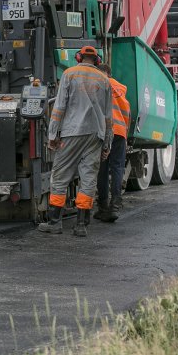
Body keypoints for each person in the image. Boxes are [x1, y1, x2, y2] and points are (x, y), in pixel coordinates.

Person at [38, 46, 113, 237]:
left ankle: (55, 222)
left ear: (79, 58)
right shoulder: (104, 80)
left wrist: (53, 135)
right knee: (88, 178)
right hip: (96, 135)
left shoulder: (69, 74)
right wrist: (107, 144)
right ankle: (81, 225)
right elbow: (108, 117)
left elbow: (60, 106)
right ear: (96, 60)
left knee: (60, 176)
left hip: (72, 132)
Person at [94, 63, 130, 223]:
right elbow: (127, 111)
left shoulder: (97, 86)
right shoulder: (120, 88)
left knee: (102, 169)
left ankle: (103, 207)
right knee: (117, 168)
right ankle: (115, 206)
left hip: (103, 132)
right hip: (120, 132)